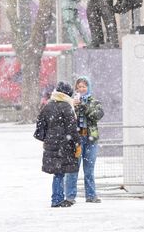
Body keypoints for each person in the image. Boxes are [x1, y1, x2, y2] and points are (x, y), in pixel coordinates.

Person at [35, 81, 80, 208]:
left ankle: (57, 198)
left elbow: (39, 125)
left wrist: (46, 139)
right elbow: (72, 128)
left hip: (52, 144)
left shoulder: (48, 106)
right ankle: (57, 199)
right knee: (60, 172)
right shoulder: (66, 106)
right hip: (64, 145)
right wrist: (77, 143)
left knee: (57, 173)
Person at [64, 76, 105, 204]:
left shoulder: (94, 101)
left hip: (90, 139)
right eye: (79, 87)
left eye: (84, 86)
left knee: (89, 169)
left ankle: (91, 196)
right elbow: (66, 117)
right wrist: (73, 106)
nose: (81, 89)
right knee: (73, 168)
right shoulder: (71, 101)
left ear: (88, 88)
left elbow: (97, 115)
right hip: (76, 139)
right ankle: (70, 196)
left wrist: (84, 106)